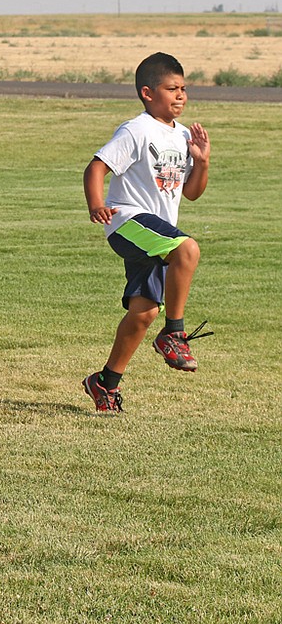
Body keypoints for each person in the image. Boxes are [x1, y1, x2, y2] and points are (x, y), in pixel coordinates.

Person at [81, 52, 212, 413]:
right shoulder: (136, 129)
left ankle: (104, 383)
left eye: (184, 88)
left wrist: (201, 162)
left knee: (144, 311)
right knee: (187, 250)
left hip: (155, 232)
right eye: (172, 88)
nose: (181, 95)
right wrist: (96, 204)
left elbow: (192, 192)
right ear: (147, 93)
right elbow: (96, 168)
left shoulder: (184, 136)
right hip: (128, 221)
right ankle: (175, 332)